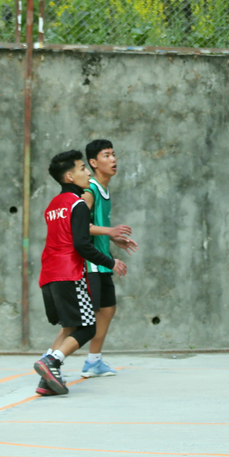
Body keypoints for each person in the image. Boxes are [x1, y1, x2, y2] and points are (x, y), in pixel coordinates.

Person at [33, 151, 128, 396]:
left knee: (69, 328)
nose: (87, 172)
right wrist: (111, 261)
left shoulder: (52, 206)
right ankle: (51, 361)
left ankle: (46, 381)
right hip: (69, 274)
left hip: (49, 275)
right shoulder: (77, 204)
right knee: (88, 327)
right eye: (82, 168)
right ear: (70, 176)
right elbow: (82, 244)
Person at [77, 139, 137, 381]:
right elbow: (80, 228)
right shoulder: (89, 191)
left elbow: (96, 227)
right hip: (89, 263)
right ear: (93, 163)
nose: (113, 159)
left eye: (114, 154)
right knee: (84, 319)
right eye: (106, 155)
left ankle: (93, 361)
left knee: (108, 309)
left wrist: (114, 240)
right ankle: (52, 359)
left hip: (102, 261)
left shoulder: (104, 189)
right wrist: (110, 231)